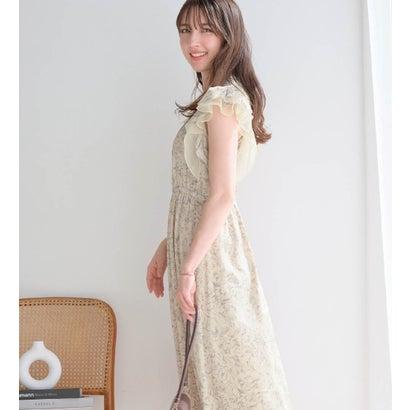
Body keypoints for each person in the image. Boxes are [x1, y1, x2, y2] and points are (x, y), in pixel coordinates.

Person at [146, 1, 294, 408]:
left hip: (209, 258)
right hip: (195, 249)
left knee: (230, 368)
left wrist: (188, 267)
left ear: (228, 35)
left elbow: (222, 193)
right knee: (205, 371)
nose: (193, 42)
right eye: (185, 30)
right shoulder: (211, 100)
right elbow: (195, 190)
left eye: (206, 30)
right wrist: (168, 244)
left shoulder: (223, 102)